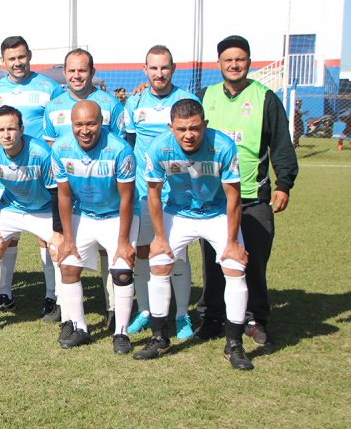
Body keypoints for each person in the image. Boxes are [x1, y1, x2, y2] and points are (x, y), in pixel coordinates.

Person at [195, 35, 298, 347]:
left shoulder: (265, 97)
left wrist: (284, 184)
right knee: (215, 260)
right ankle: (212, 316)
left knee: (253, 259)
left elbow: (280, 143)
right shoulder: (205, 95)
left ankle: (255, 319)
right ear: (219, 64)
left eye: (240, 59)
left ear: (249, 62)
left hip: (253, 196)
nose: (234, 64)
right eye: (228, 60)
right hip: (214, 199)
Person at [138, 99, 253, 370]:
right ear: (170, 127)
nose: (188, 135)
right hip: (178, 212)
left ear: (205, 125)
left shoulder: (223, 146)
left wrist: (234, 242)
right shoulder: (159, 148)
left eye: (195, 128)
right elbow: (153, 194)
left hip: (217, 213)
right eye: (181, 129)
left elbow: (234, 197)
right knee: (159, 263)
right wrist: (159, 237)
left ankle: (234, 344)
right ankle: (159, 338)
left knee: (235, 267)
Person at [43, 48, 126, 331]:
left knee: (108, 252)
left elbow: (119, 146)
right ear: (64, 73)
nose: (77, 76)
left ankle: (113, 308)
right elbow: (56, 150)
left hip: (107, 190)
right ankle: (67, 311)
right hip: (72, 192)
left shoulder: (111, 104)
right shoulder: (54, 106)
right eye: (72, 70)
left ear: (92, 71)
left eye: (82, 70)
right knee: (65, 249)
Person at [123, 45, 200, 339]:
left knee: (177, 254)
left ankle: (181, 314)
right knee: (143, 253)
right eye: (153, 68)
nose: (159, 73)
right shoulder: (135, 103)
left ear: (173, 68)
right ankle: (145, 310)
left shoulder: (187, 101)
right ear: (145, 71)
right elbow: (129, 146)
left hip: (179, 193)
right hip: (145, 192)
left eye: (164, 67)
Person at [52, 101, 138, 353]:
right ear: (72, 124)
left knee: (121, 271)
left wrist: (123, 242)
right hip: (84, 214)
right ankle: (80, 327)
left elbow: (127, 199)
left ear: (102, 122)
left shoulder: (120, 149)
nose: (85, 130)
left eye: (91, 123)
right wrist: (67, 239)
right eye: (79, 124)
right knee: (68, 265)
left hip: (115, 215)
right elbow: (64, 196)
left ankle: (121, 332)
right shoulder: (61, 148)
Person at [0, 36, 63, 319]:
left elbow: (56, 128)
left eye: (22, 57)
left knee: (47, 238)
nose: (17, 63)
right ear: (3, 62)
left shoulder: (49, 88)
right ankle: (4, 293)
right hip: (3, 177)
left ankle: (51, 296)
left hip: (39, 174)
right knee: (6, 236)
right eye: (11, 59)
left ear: (29, 55)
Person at [0, 105, 64, 333]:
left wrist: (57, 230)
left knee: (58, 249)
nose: (7, 134)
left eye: (12, 129)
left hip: (43, 207)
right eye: (1, 129)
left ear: (22, 129)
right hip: (11, 207)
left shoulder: (41, 153)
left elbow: (57, 193)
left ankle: (56, 301)